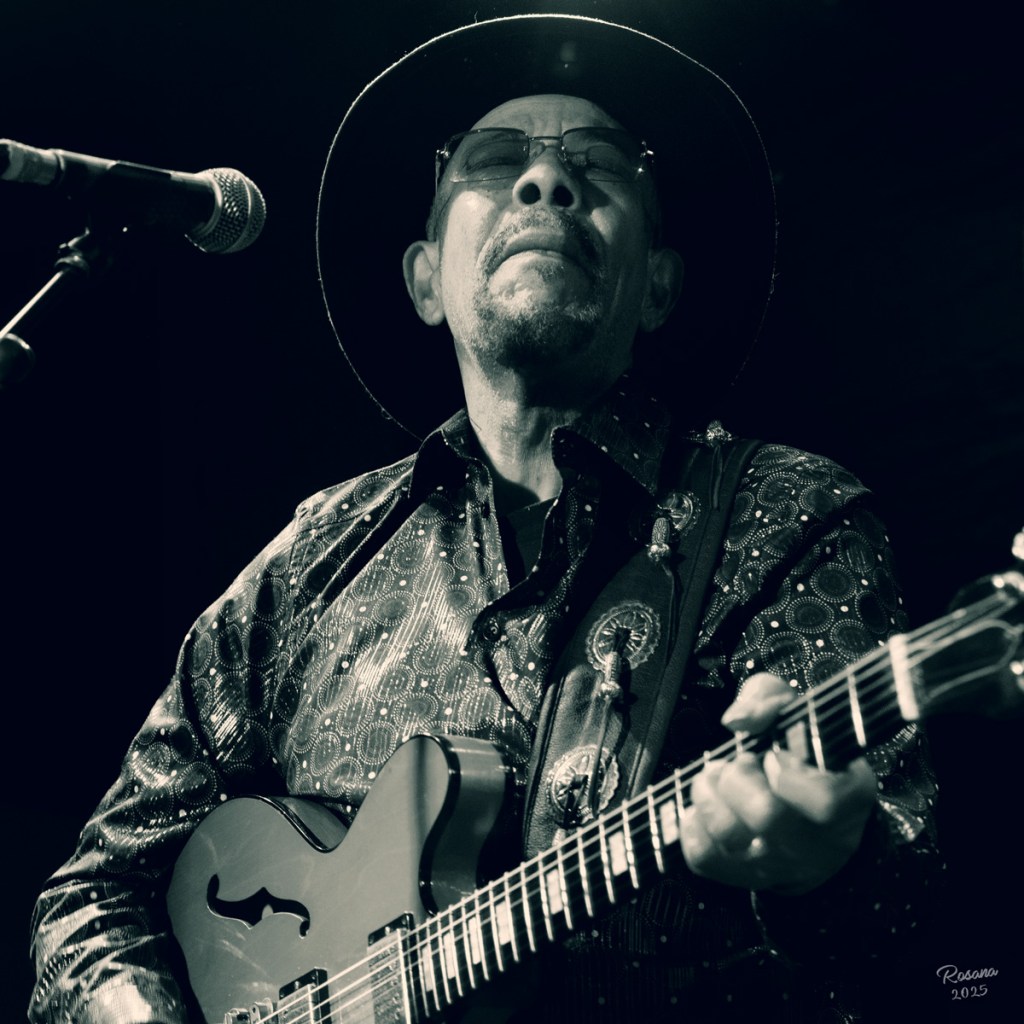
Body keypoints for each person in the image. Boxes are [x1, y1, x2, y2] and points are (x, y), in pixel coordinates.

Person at [28, 14, 940, 1024]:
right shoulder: (307, 566)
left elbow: (911, 900)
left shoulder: (786, 515)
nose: (546, 181)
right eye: (497, 159)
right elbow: (93, 896)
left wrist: (826, 864)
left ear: (659, 287)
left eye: (600, 163)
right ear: (425, 279)